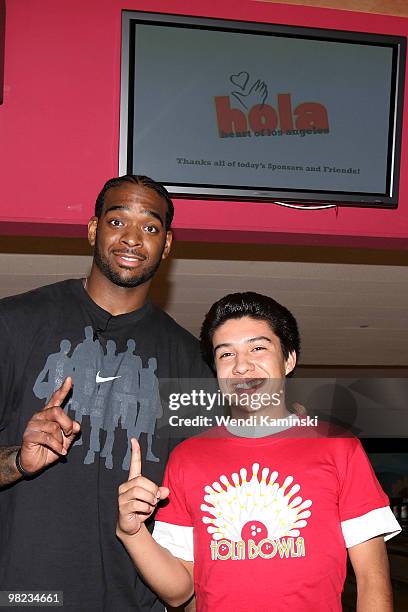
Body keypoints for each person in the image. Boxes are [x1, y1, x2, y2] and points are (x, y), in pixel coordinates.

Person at [0, 175, 213, 611]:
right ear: (94, 230)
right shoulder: (14, 324)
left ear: (167, 245)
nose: (132, 238)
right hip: (26, 598)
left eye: (150, 228)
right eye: (118, 221)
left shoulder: (193, 365)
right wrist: (18, 461)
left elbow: (202, 514)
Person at [117, 291, 401, 611]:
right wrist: (133, 532)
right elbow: (179, 590)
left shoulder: (339, 447)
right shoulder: (188, 457)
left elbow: (372, 580)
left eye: (258, 348)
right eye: (226, 355)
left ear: (288, 359)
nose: (241, 366)